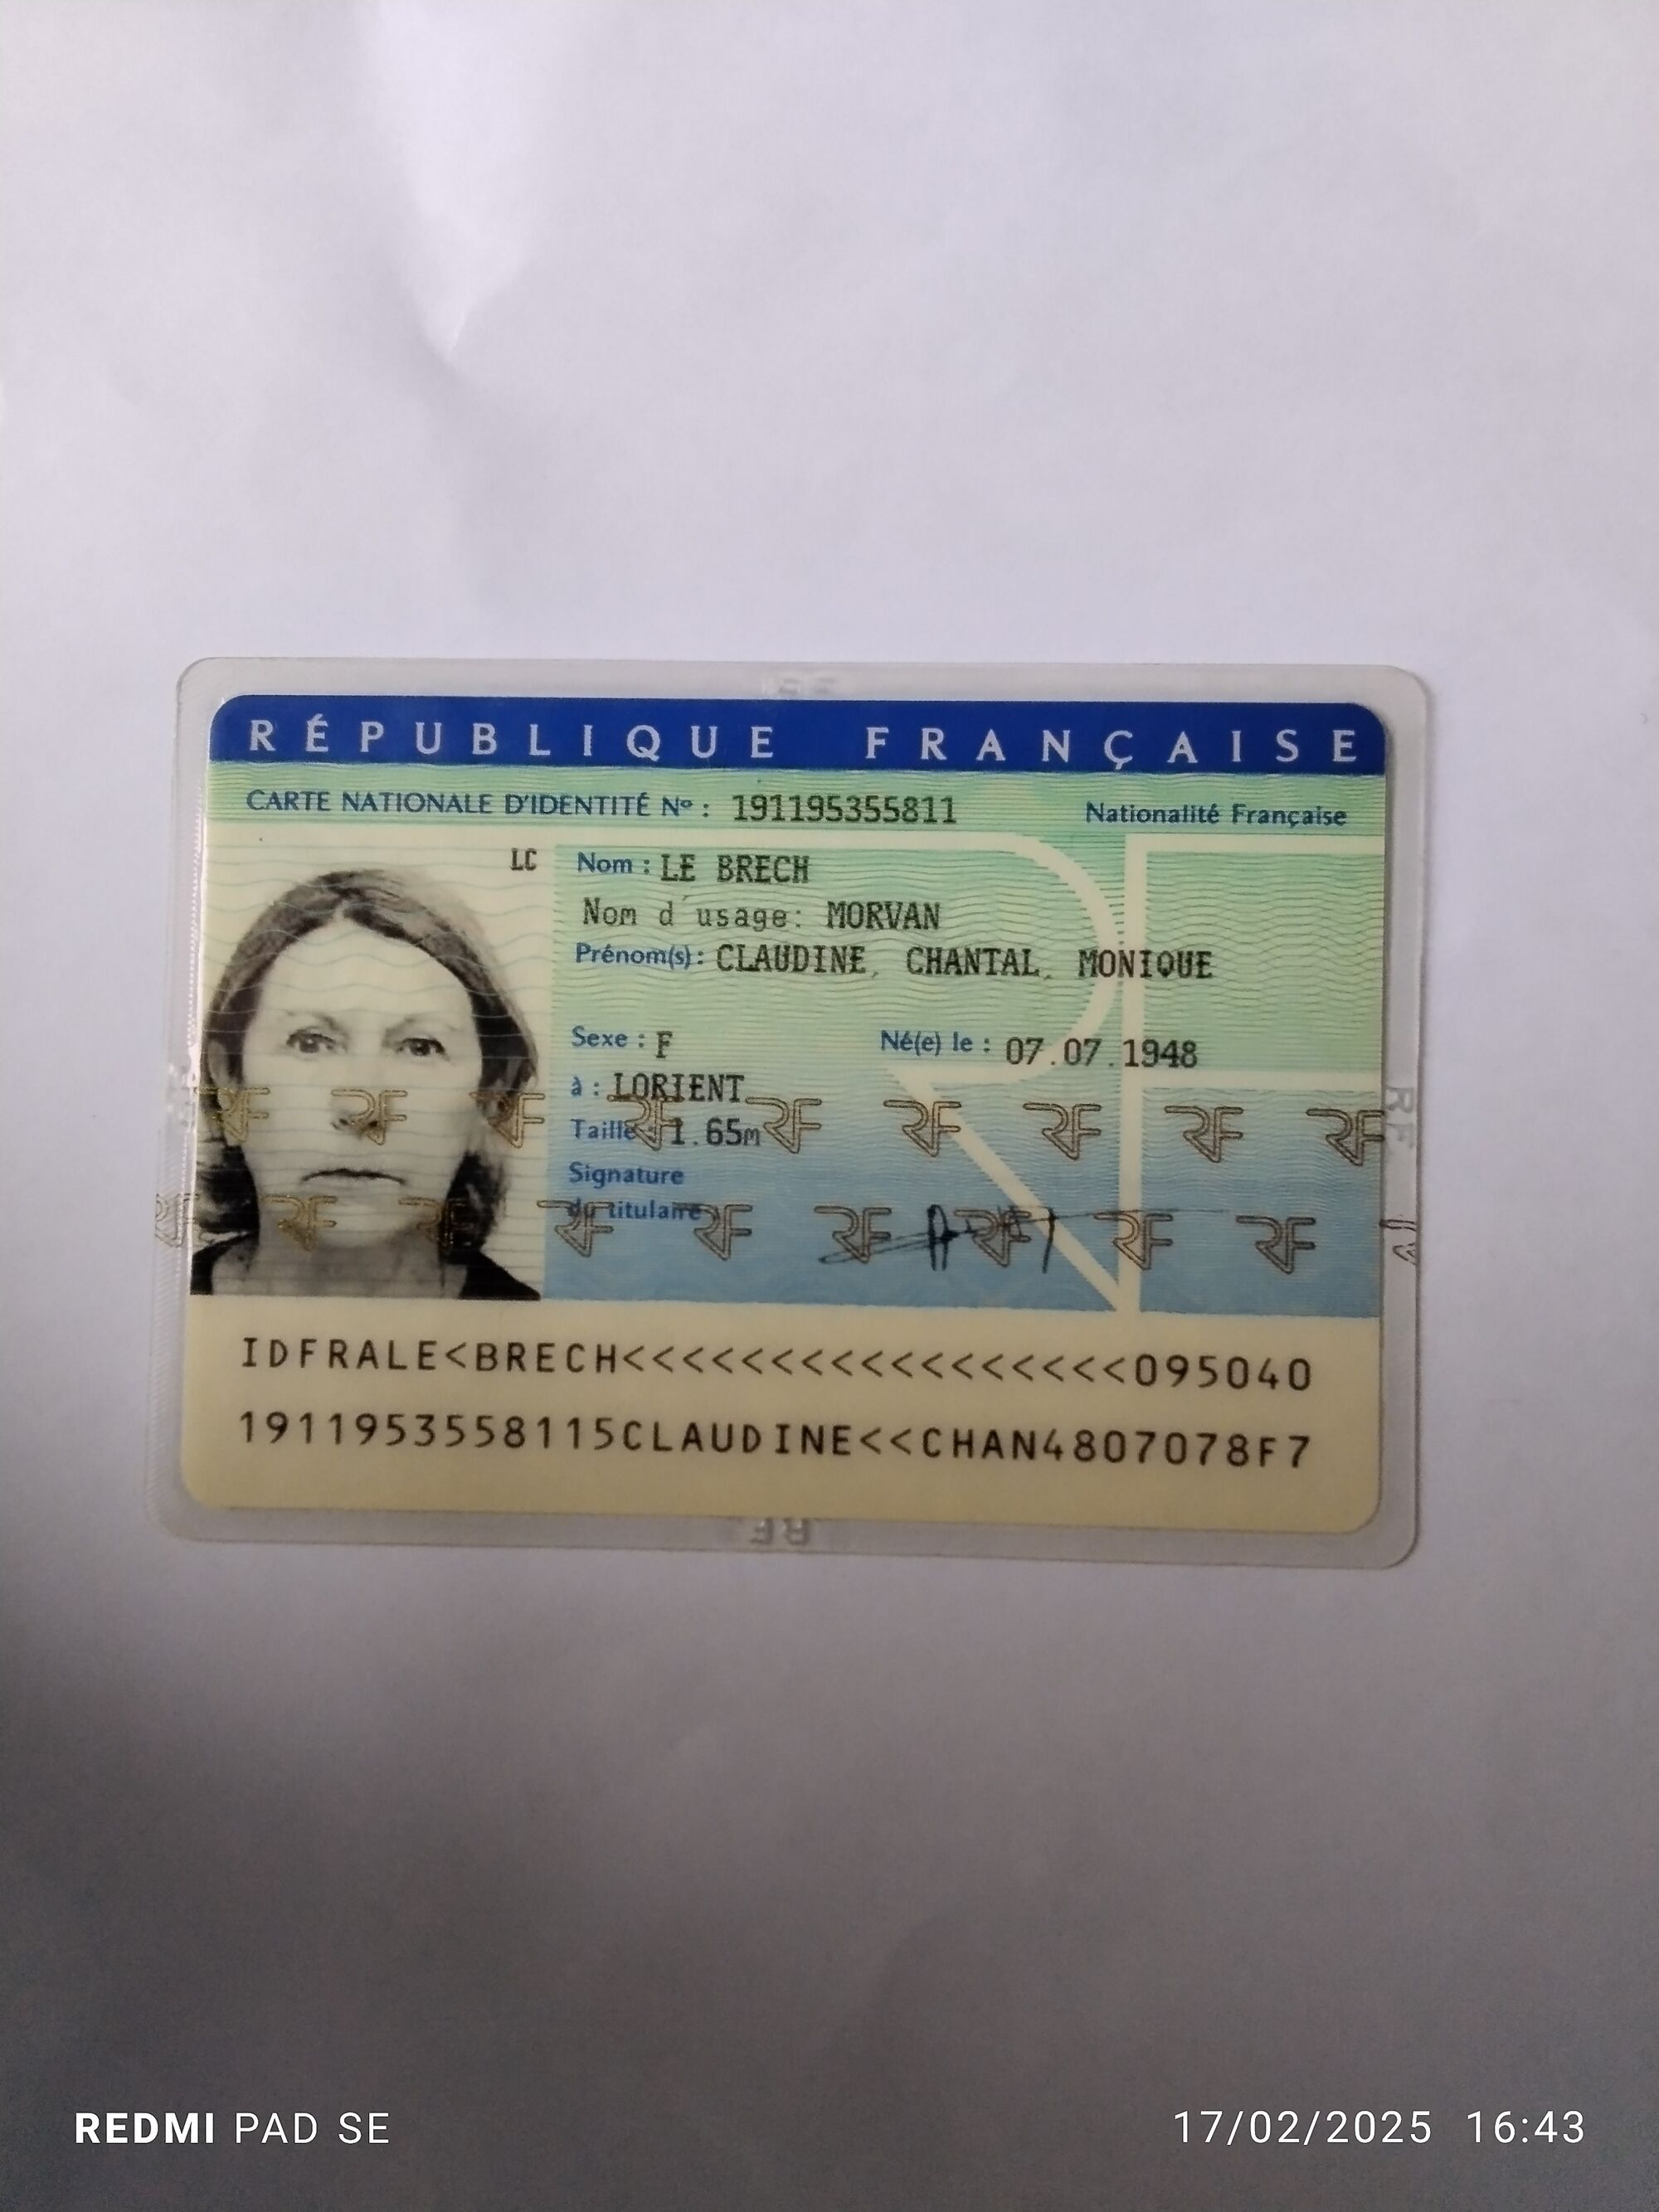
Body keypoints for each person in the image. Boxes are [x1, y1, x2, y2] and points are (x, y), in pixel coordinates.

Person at [192, 868, 540, 1298]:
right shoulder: (159, 1306)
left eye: (420, 1047)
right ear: (230, 1088)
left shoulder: (535, 1329)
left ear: (490, 1099)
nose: (362, 1109)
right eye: (310, 1043)